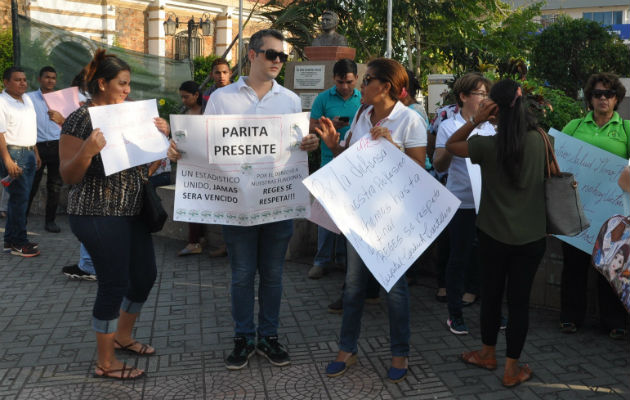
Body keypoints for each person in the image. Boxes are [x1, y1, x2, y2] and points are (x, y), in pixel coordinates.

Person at [168, 29, 319, 370]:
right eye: (272, 54)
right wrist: (181, 150)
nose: (278, 61)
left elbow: (294, 149)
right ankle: (242, 337)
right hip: (236, 204)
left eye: (282, 56)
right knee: (240, 275)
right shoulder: (223, 98)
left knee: (273, 275)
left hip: (276, 202)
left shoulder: (291, 101)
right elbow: (205, 144)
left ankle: (269, 336)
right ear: (252, 55)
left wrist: (310, 145)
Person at [59, 50, 170, 380]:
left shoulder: (130, 116)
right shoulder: (79, 120)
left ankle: (122, 336)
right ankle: (105, 363)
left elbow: (142, 169)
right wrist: (87, 150)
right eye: (122, 84)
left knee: (144, 276)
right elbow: (68, 176)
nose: (127, 90)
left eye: (129, 84)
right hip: (96, 214)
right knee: (114, 283)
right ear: (102, 83)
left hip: (132, 210)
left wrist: (161, 141)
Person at [316, 58, 427, 383]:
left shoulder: (409, 120)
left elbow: (419, 172)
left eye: (366, 81)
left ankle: (399, 354)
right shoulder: (363, 115)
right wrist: (335, 146)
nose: (360, 87)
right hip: (359, 217)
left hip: (394, 220)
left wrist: (392, 147)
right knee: (352, 287)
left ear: (385, 87)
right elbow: (350, 159)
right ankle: (346, 350)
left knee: (395, 289)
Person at [446, 79, 547, 388]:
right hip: (531, 237)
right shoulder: (541, 140)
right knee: (519, 303)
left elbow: (451, 146)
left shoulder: (487, 145)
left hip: (492, 234)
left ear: (495, 108)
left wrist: (476, 121)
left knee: (490, 297)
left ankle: (487, 353)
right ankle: (511, 369)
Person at [559, 73, 629, 340]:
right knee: (573, 265)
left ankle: (613, 321)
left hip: (612, 213)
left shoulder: (626, 130)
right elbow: (557, 161)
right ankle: (570, 317)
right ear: (589, 97)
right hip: (576, 208)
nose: (603, 98)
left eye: (609, 94)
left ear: (616, 99)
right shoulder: (574, 126)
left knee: (609, 266)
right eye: (598, 93)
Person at [433, 73, 493, 335]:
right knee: (458, 259)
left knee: (491, 260)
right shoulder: (448, 126)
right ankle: (454, 314)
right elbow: (438, 165)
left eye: (487, 94)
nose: (484, 99)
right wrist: (450, 146)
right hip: (462, 205)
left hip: (489, 204)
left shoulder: (492, 126)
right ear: (464, 96)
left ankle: (494, 314)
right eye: (480, 94)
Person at [307, 58, 360, 280]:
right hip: (329, 162)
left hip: (355, 164)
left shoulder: (364, 99)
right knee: (325, 216)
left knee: (351, 216)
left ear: (356, 79)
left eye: (349, 82)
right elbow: (311, 125)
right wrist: (328, 125)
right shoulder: (322, 98)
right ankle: (321, 261)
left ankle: (343, 259)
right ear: (333, 80)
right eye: (340, 82)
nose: (345, 86)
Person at [177, 80, 227, 258]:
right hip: (193, 165)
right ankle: (195, 241)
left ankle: (225, 244)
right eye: (181, 97)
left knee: (221, 204)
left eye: (186, 96)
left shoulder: (208, 111)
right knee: (193, 202)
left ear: (196, 95)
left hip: (213, 164)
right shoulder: (185, 113)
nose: (183, 100)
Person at [0, 66, 41, 257]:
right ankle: (19, 243)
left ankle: (10, 239)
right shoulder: (2, 102)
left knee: (19, 200)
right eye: (17, 80)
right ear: (6, 82)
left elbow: (30, 127)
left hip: (29, 152)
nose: (23, 83)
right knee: (19, 200)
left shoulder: (27, 100)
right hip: (14, 153)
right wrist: (7, 160)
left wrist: (36, 152)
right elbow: (0, 134)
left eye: (24, 79)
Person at [26, 66, 65, 233]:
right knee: (31, 185)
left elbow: (69, 121)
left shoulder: (62, 99)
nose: (50, 80)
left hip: (57, 146)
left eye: (53, 78)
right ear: (39, 79)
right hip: (37, 147)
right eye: (47, 77)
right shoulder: (29, 99)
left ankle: (50, 221)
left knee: (55, 186)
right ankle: (22, 220)